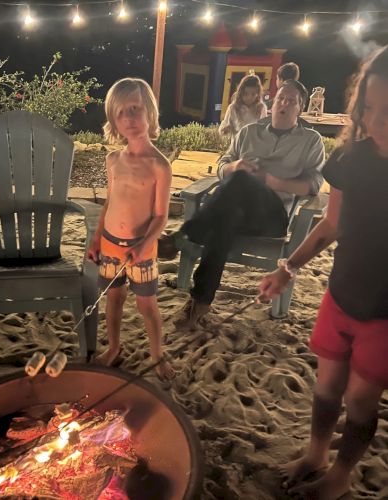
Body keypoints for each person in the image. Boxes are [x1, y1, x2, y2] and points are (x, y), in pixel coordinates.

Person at [259, 46, 388, 500]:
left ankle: (341, 474)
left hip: (384, 315)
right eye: (369, 108)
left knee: (359, 400)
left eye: (387, 111)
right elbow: (331, 224)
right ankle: (315, 454)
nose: (374, 122)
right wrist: (287, 268)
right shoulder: (351, 158)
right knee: (327, 385)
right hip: (340, 296)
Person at [159, 80, 325, 327]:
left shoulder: (310, 141)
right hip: (236, 210)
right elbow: (222, 165)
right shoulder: (249, 132)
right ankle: (200, 301)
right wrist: (235, 166)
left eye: (291, 101)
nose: (284, 103)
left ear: (300, 108)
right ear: (272, 103)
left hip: (272, 216)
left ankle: (183, 236)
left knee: (240, 181)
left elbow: (313, 185)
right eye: (281, 98)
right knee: (227, 215)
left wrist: (270, 181)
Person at [87, 77, 174, 379]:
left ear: (150, 111)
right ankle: (113, 348)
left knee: (146, 305)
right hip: (110, 245)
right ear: (114, 119)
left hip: (142, 249)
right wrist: (96, 239)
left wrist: (143, 244)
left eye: (135, 109)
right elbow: (109, 204)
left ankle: (157, 354)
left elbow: (161, 217)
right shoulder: (113, 160)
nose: (130, 118)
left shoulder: (159, 165)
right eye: (121, 112)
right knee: (114, 298)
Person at [219, 74, 267, 139]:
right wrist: (225, 129)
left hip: (253, 145)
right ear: (240, 93)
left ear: (258, 94)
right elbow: (224, 125)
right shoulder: (233, 107)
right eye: (246, 94)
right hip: (236, 144)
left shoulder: (261, 108)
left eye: (253, 94)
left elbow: (264, 129)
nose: (249, 97)